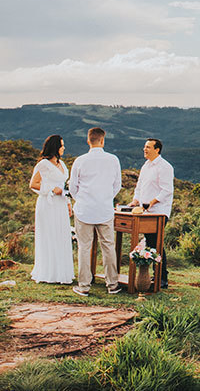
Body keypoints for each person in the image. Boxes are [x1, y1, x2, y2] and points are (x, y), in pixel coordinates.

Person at [67, 127, 122, 296]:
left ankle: (84, 286)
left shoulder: (80, 160)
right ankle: (112, 285)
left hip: (84, 210)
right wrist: (105, 198)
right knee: (108, 247)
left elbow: (72, 187)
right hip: (105, 210)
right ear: (103, 141)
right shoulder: (113, 160)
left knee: (84, 247)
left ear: (88, 140)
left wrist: (81, 200)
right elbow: (117, 186)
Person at [28, 134, 74, 284]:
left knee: (61, 235)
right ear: (55, 147)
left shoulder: (62, 165)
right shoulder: (43, 164)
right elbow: (33, 184)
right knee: (49, 235)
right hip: (48, 204)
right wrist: (51, 189)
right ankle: (48, 272)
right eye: (61, 145)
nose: (64, 148)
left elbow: (63, 186)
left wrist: (68, 203)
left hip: (60, 204)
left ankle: (61, 272)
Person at [132, 138, 174, 289]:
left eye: (148, 147)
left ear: (157, 150)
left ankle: (162, 278)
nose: (145, 149)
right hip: (145, 212)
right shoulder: (146, 165)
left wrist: (153, 201)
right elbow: (139, 186)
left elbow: (167, 190)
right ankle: (152, 277)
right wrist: (135, 200)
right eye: (144, 146)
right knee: (150, 243)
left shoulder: (165, 167)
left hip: (159, 212)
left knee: (156, 243)